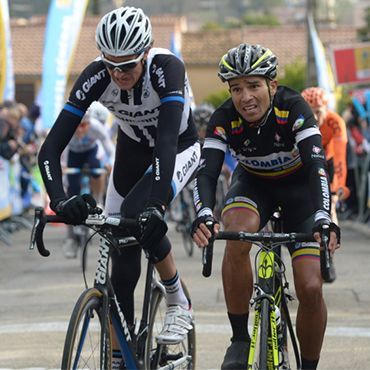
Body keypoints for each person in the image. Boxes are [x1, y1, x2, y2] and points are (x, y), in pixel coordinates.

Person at [37, 6, 199, 368]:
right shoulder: (97, 75)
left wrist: (156, 204)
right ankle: (120, 356)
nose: (119, 73)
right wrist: (60, 201)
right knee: (120, 261)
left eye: (128, 65)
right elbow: (50, 148)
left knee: (135, 214)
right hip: (131, 151)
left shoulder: (166, 67)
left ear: (145, 52)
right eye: (112, 65)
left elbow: (168, 140)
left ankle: (177, 298)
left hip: (179, 146)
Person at [191, 43, 341, 370]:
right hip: (255, 185)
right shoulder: (224, 119)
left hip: (300, 189)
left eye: (254, 86)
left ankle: (309, 366)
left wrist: (322, 214)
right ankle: (240, 339)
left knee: (311, 287)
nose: (245, 97)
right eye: (236, 88)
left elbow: (317, 165)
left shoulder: (294, 108)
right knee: (234, 232)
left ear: (272, 85)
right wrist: (204, 212)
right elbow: (207, 172)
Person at [61, 110, 115, 258]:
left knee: (98, 170)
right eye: (77, 125)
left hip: (91, 152)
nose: (80, 129)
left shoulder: (96, 127)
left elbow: (111, 150)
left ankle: (97, 201)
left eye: (84, 125)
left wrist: (110, 163)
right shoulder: (67, 128)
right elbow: (60, 149)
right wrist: (63, 164)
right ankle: (70, 237)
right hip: (72, 155)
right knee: (71, 193)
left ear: (89, 123)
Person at [301, 87, 349, 225]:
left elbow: (340, 156)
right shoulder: (298, 121)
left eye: (318, 112)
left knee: (331, 204)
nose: (314, 118)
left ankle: (332, 241)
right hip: (306, 161)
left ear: (325, 109)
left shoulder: (335, 122)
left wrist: (340, 185)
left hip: (328, 161)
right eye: (310, 112)